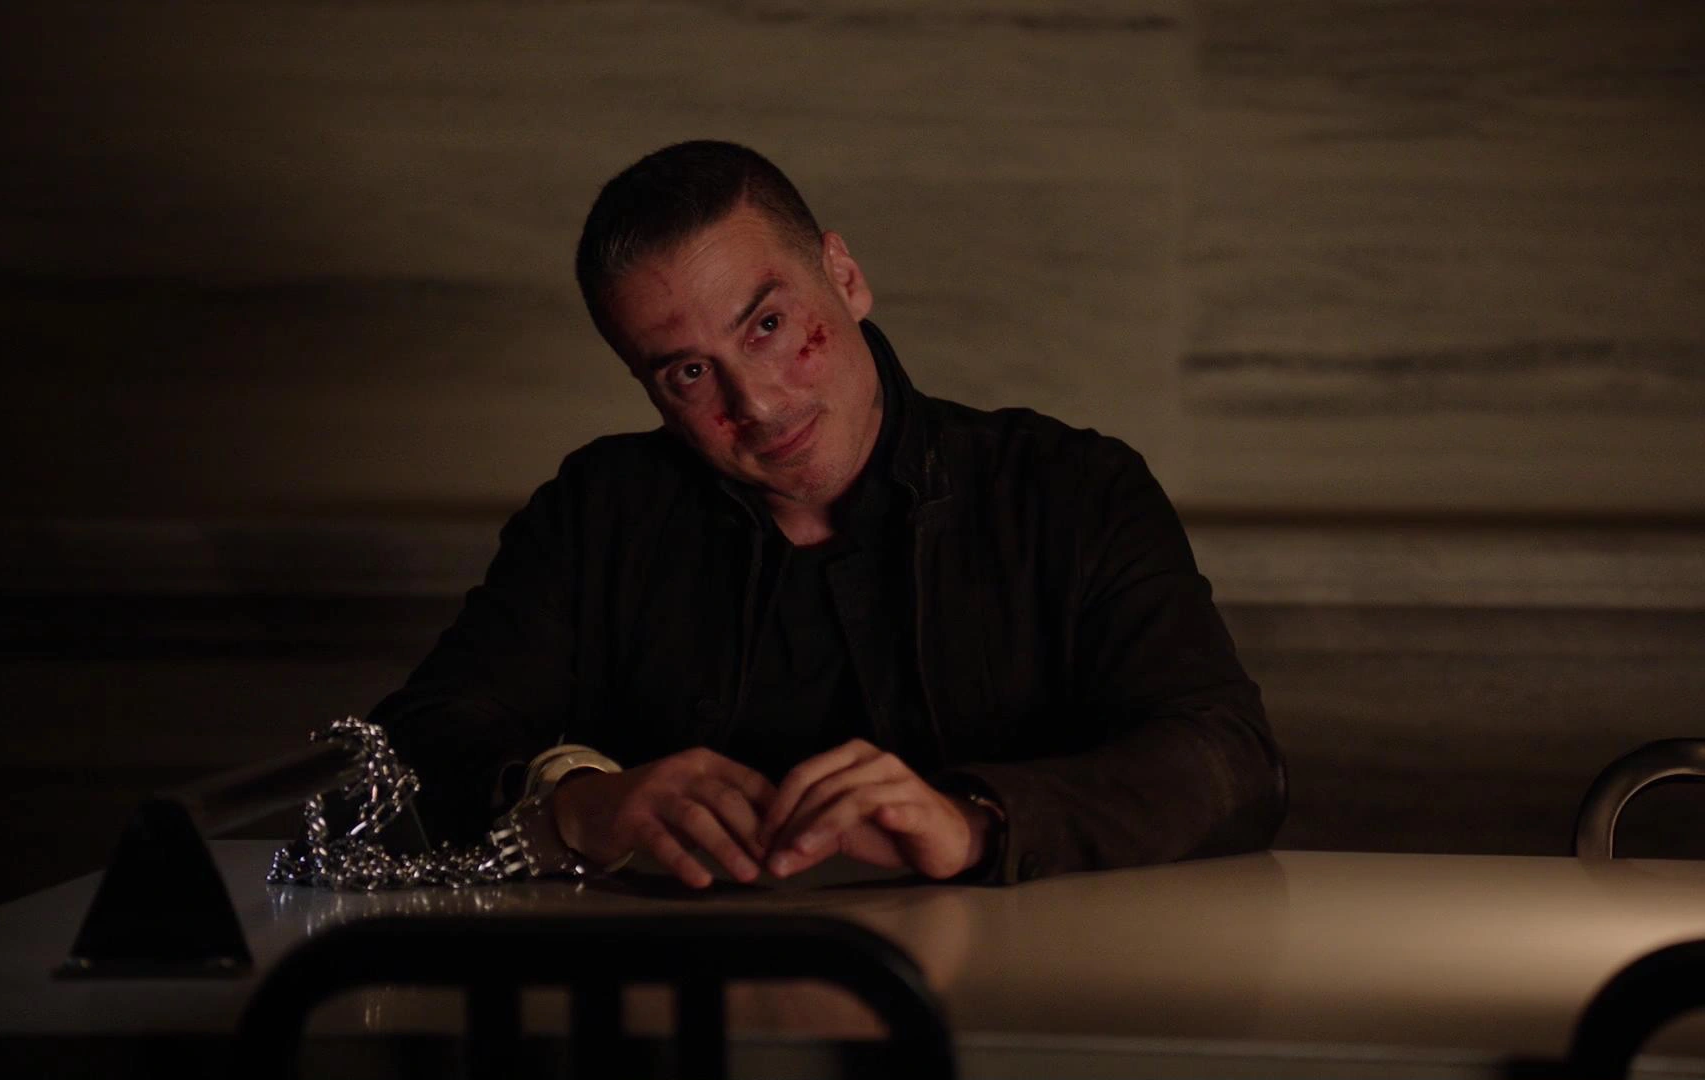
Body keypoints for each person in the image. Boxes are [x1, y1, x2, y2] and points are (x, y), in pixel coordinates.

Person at [371, 140, 1285, 887]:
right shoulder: (597, 512)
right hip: (679, 1007)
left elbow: (1232, 763)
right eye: (688, 373)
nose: (758, 405)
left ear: (844, 277)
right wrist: (573, 804)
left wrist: (974, 823)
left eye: (767, 326)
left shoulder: (1071, 487)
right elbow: (410, 746)